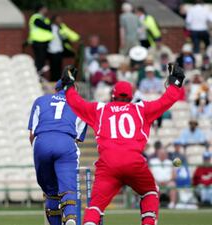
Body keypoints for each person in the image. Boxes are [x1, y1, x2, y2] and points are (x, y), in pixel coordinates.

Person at [61, 63, 185, 225]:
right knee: (150, 192)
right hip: (134, 161)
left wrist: (69, 85)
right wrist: (176, 83)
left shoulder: (100, 109)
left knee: (95, 207)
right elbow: (168, 100)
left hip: (108, 163)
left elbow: (75, 102)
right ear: (131, 97)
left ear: (113, 96)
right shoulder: (141, 109)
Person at [28, 74, 87, 225]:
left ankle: (55, 222)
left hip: (42, 142)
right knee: (68, 186)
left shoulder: (40, 100)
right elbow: (77, 139)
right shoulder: (80, 105)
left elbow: (32, 134)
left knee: (50, 191)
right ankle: (71, 217)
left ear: (56, 89)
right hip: (65, 142)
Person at [47, 15, 80, 81]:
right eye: (58, 19)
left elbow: (66, 36)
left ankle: (58, 80)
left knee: (59, 67)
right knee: (54, 67)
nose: (60, 20)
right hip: (52, 50)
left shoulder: (61, 27)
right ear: (54, 20)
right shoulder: (49, 27)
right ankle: (53, 80)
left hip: (59, 50)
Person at [28, 4, 53, 76]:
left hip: (43, 42)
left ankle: (40, 75)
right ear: (41, 9)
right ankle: (38, 75)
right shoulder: (36, 17)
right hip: (38, 41)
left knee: (42, 60)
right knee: (39, 60)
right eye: (45, 8)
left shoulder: (44, 18)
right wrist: (48, 26)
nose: (46, 10)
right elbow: (46, 26)